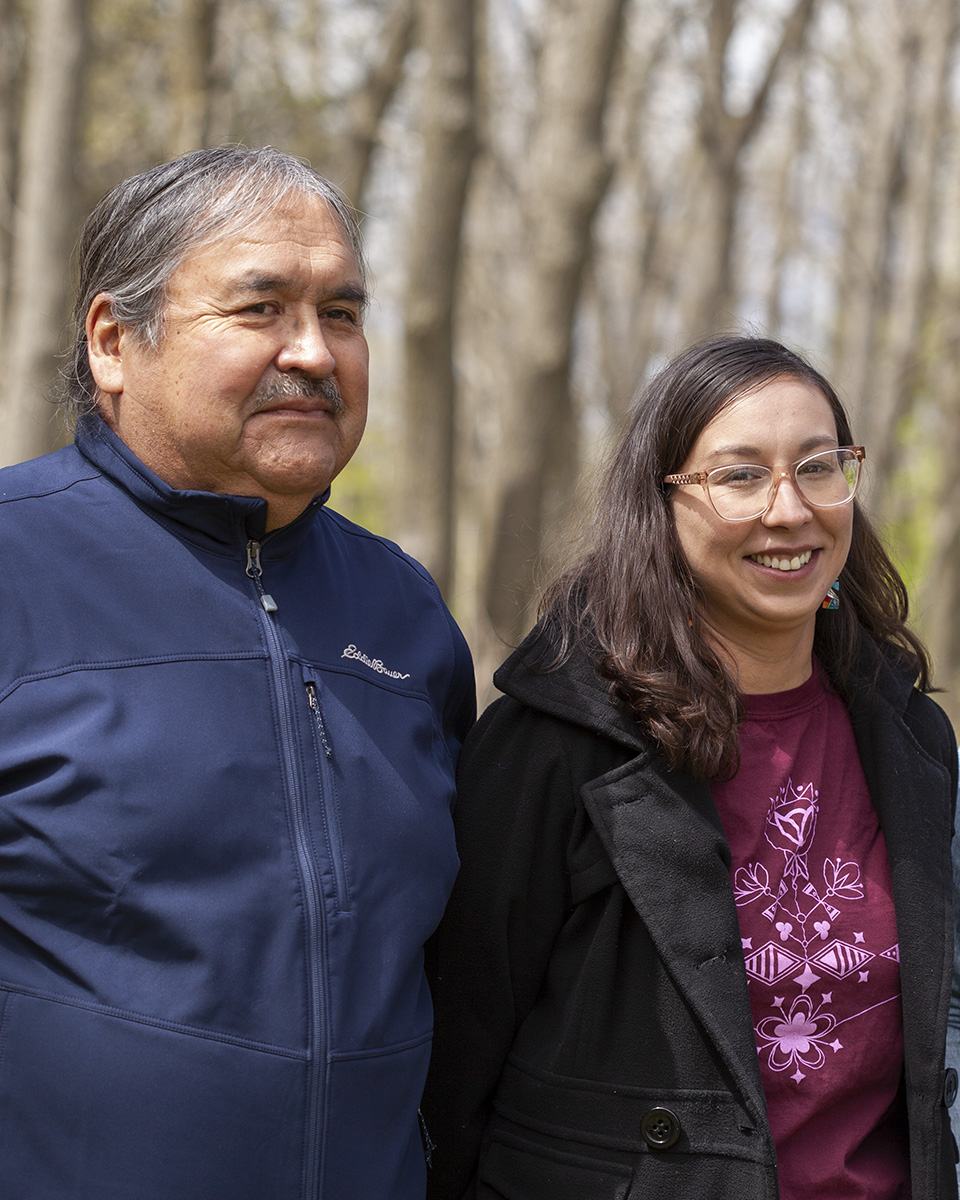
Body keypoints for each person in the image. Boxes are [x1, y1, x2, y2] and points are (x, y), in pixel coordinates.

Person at [0, 146, 475, 1199]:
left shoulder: (406, 614)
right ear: (116, 341)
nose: (312, 352)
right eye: (261, 308)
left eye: (342, 314)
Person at [422, 336, 958, 1199]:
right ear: (661, 505)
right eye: (740, 476)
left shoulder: (911, 736)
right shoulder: (555, 741)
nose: (789, 511)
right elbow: (455, 1060)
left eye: (819, 467)